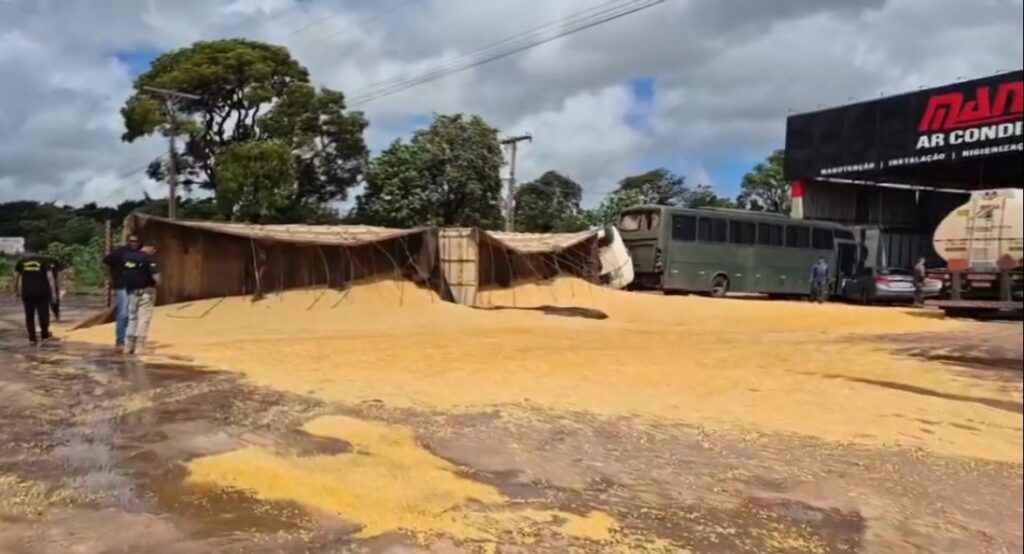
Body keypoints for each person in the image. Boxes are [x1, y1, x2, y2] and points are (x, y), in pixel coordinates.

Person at [121, 244, 160, 355]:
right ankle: (139, 347)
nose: (154, 252)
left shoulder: (128, 258)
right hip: (146, 292)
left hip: (132, 292)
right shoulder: (148, 259)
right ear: (150, 248)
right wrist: (158, 283)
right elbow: (156, 277)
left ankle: (128, 346)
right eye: (154, 250)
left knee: (132, 318)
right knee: (143, 318)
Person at [12, 250, 58, 345]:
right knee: (44, 313)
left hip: (27, 292)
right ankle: (44, 336)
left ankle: (32, 338)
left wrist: (15, 292)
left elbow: (16, 278)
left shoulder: (21, 261)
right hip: (42, 291)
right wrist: (53, 293)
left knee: (29, 315)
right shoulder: (44, 261)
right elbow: (50, 278)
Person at [103, 234, 140, 349]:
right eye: (132, 241)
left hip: (134, 286)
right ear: (127, 241)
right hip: (121, 285)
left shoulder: (138, 254)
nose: (134, 243)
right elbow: (105, 263)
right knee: (123, 313)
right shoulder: (119, 253)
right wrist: (110, 279)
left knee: (132, 313)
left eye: (136, 241)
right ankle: (120, 340)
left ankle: (128, 338)